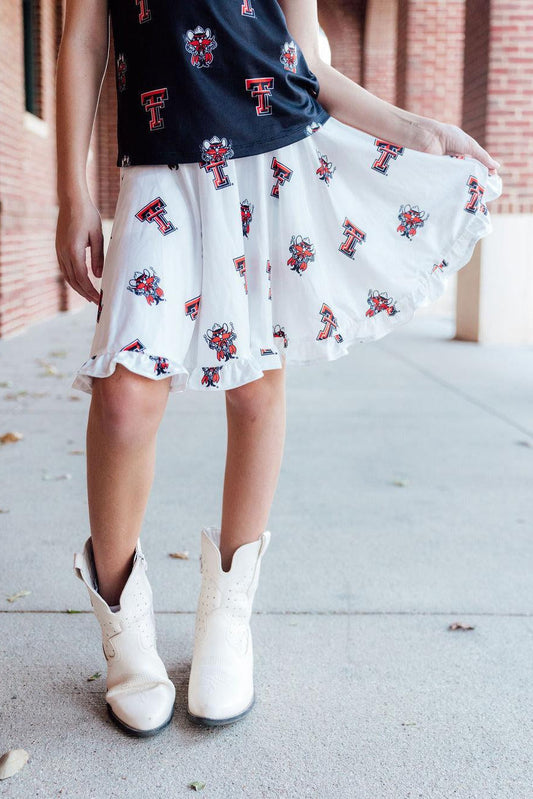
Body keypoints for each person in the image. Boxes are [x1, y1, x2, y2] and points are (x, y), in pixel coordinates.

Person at [55, 0, 502, 737]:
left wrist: (420, 133)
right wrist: (72, 194)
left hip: (270, 157)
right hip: (158, 164)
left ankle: (228, 621)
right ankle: (123, 630)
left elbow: (307, 59)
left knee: (255, 386)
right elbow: (81, 41)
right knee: (124, 400)